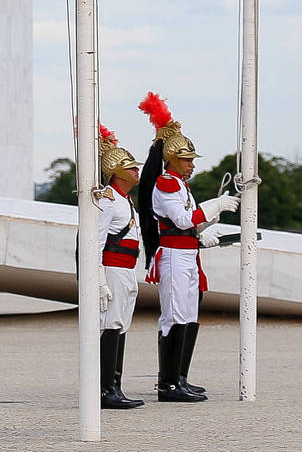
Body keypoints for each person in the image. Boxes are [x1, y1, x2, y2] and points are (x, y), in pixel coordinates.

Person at [136, 93, 236, 404]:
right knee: (176, 315)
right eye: (187, 159)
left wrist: (208, 225)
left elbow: (189, 224)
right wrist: (213, 205)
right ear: (173, 160)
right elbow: (180, 219)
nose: (192, 164)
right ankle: (167, 384)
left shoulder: (182, 187)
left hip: (186, 253)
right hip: (174, 257)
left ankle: (180, 377)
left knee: (189, 315)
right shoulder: (166, 184)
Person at [93, 123, 144, 411]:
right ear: (118, 172)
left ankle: (115, 386)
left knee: (120, 326)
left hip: (126, 269)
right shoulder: (108, 200)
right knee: (110, 325)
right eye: (131, 168)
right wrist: (99, 280)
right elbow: (96, 243)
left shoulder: (126, 201)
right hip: (111, 270)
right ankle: (105, 390)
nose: (136, 171)